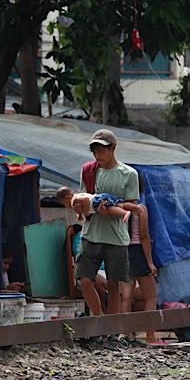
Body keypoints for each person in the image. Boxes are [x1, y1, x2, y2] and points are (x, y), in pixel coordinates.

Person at [76, 129, 139, 316]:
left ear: (113, 148)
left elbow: (131, 206)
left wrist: (112, 211)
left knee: (113, 285)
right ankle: (98, 317)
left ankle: (110, 328)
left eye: (102, 150)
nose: (98, 155)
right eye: (95, 151)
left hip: (116, 238)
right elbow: (83, 199)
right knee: (84, 280)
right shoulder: (88, 171)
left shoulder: (129, 174)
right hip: (91, 234)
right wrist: (80, 208)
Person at [121, 198, 166, 346]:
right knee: (151, 296)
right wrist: (150, 262)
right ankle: (151, 336)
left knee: (126, 297)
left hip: (123, 251)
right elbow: (144, 236)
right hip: (138, 251)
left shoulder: (117, 206)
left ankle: (125, 334)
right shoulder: (140, 209)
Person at [56, 186, 132, 223]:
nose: (65, 206)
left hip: (96, 202)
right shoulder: (76, 197)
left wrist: (86, 212)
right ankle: (133, 208)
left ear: (67, 198)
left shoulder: (74, 201)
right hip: (99, 198)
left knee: (110, 209)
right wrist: (79, 215)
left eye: (64, 204)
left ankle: (125, 213)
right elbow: (80, 207)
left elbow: (85, 200)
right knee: (119, 204)